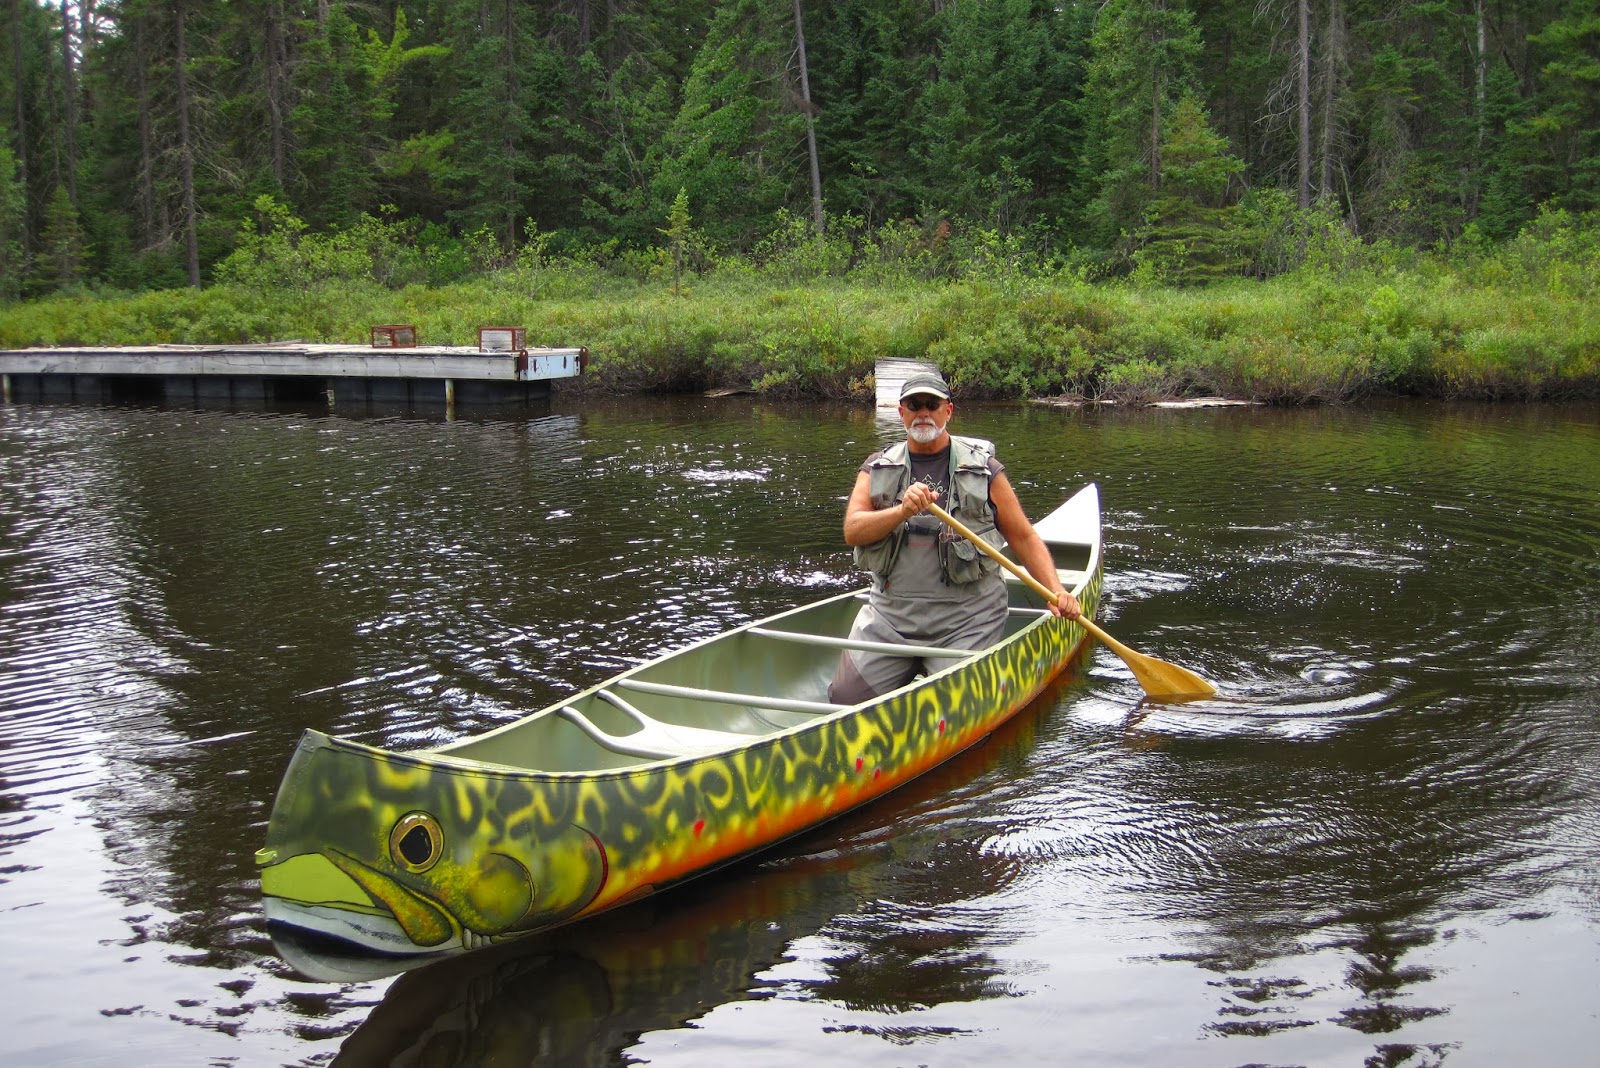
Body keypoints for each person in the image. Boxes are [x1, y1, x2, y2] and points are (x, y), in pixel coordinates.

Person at [828, 370, 1082, 705]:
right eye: (914, 405)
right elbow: (853, 530)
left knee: (952, 705)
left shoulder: (986, 470)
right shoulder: (876, 467)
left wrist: (1055, 590)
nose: (923, 413)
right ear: (901, 412)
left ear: (948, 411)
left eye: (932, 405)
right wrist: (901, 511)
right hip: (891, 619)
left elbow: (1023, 536)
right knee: (843, 700)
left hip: (967, 620)